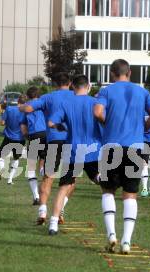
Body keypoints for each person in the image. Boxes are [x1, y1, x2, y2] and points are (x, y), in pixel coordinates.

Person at [94, 59, 150, 254]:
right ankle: (126, 241)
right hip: (135, 147)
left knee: (107, 191)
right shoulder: (142, 92)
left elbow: (97, 112)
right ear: (129, 72)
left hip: (111, 146)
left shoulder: (106, 91)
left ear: (112, 74)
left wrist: (108, 124)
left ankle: (111, 235)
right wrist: (143, 128)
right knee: (130, 194)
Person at [48, 75, 102, 235]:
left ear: (72, 86)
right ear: (89, 86)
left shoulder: (66, 103)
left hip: (72, 150)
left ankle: (53, 223)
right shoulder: (95, 103)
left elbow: (51, 123)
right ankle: (112, 229)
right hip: (93, 150)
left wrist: (62, 127)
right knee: (104, 184)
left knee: (64, 187)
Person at [19, 73, 73, 225]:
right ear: (70, 83)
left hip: (54, 140)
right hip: (72, 141)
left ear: (55, 84)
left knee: (48, 177)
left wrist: (20, 106)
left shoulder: (48, 97)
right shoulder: (76, 96)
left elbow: (29, 107)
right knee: (71, 180)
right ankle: (60, 208)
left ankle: (42, 210)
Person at [20, 87, 46, 204]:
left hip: (34, 135)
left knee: (31, 167)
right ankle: (44, 175)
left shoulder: (26, 107)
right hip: (45, 134)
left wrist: (26, 136)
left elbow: (23, 126)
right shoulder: (44, 104)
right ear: (38, 94)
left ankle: (36, 197)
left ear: (28, 95)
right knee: (43, 160)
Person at [0, 95, 26, 185]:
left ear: (18, 101)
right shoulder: (26, 112)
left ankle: (1, 168)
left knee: (1, 157)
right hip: (20, 139)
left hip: (8, 137)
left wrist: (3, 115)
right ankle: (10, 180)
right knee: (16, 159)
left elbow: (2, 123)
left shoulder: (9, 109)